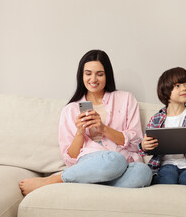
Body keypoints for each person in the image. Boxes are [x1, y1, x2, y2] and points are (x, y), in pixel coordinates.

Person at [19, 49, 152, 195]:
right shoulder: (71, 110)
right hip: (94, 162)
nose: (93, 79)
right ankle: (53, 180)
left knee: (143, 172)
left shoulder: (126, 99)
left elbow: (136, 144)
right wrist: (80, 132)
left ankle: (93, 185)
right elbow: (71, 159)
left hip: (125, 163)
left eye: (99, 74)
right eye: (88, 73)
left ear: (107, 75)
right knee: (114, 160)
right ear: (81, 75)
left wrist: (103, 128)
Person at [139, 67, 186, 186]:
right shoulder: (157, 119)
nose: (184, 88)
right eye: (178, 86)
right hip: (165, 164)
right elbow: (146, 147)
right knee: (168, 178)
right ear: (165, 92)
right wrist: (145, 146)